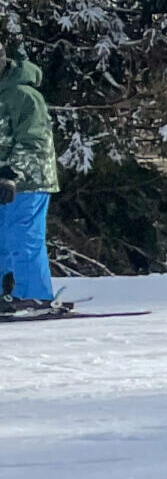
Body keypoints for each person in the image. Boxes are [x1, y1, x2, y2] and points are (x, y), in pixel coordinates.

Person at [0, 48, 59, 307]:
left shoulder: (25, 96)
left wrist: (11, 174)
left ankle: (33, 294)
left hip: (28, 181)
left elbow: (34, 141)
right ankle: (5, 294)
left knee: (22, 235)